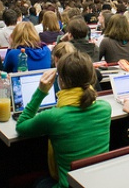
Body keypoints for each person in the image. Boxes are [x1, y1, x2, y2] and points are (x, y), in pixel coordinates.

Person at [15, 51, 111, 188]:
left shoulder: (53, 116)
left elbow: (21, 125)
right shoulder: (105, 108)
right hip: (97, 182)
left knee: (38, 182)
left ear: (61, 81)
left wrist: (41, 92)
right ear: (92, 77)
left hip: (68, 185)